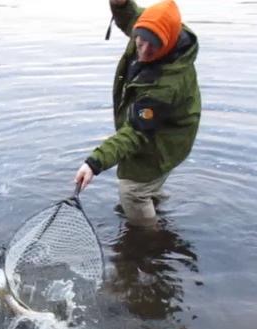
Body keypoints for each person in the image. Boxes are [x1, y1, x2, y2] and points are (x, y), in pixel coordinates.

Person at [74, 0, 201, 227]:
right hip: (165, 126)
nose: (142, 53)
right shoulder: (156, 27)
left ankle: (150, 240)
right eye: (139, 42)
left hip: (168, 137)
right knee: (145, 181)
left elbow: (135, 131)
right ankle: (154, 199)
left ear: (167, 44)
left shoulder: (166, 85)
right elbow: (130, 16)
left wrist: (94, 163)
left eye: (151, 48)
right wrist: (120, 4)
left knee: (131, 189)